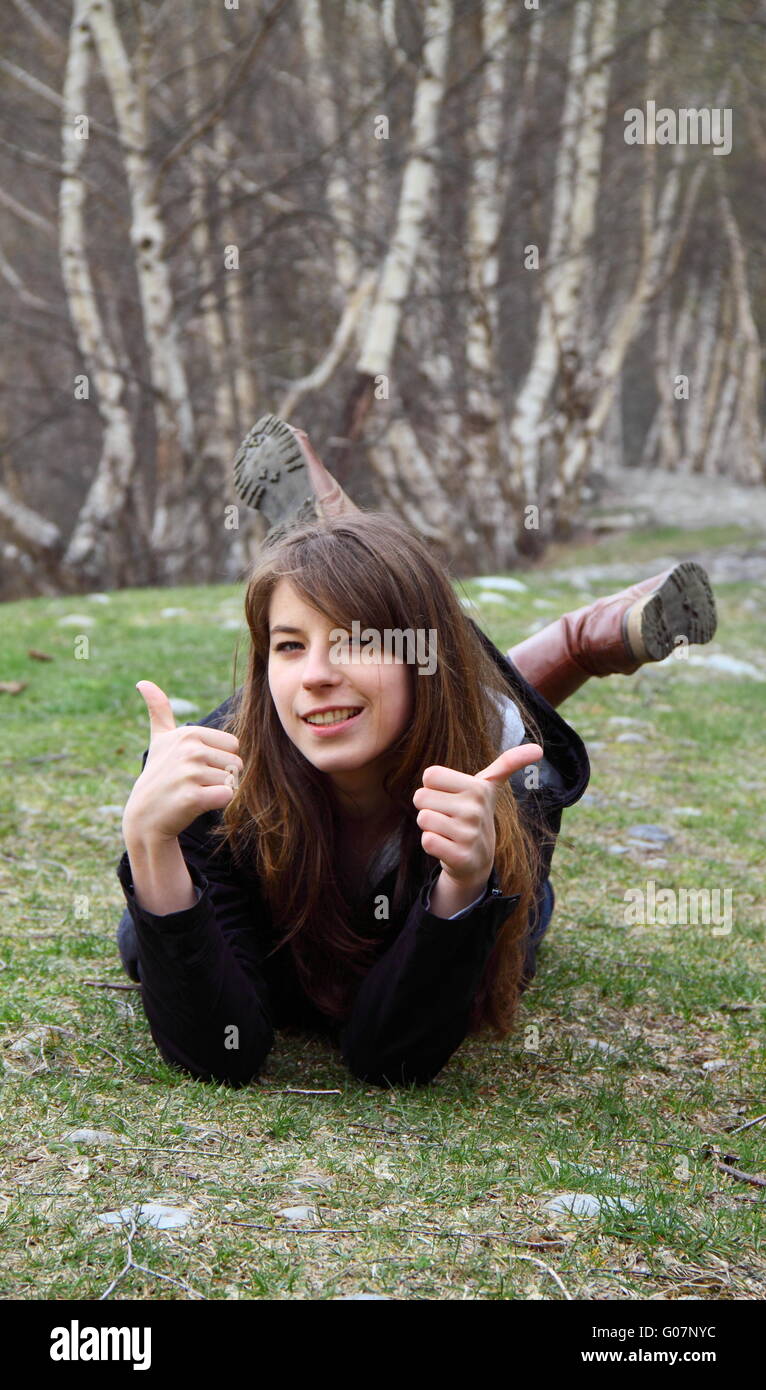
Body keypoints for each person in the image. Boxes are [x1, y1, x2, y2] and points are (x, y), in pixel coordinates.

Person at [114, 420, 716, 1090]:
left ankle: (559, 634)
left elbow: (390, 1058)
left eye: (356, 640)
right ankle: (565, 634)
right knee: (145, 942)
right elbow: (221, 1052)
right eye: (288, 645)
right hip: (292, 864)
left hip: (462, 770)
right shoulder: (214, 774)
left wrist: (462, 887)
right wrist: (148, 844)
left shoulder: (498, 785)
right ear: (262, 666)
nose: (313, 673)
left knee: (504, 867)